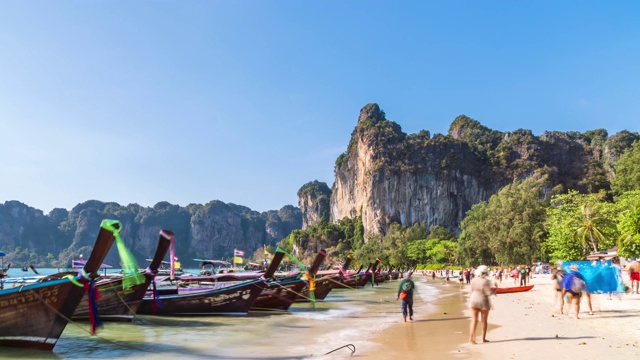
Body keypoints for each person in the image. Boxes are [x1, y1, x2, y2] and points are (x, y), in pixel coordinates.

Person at [468, 265, 495, 344]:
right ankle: (483, 338)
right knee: (484, 321)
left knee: (474, 320)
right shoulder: (487, 281)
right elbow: (488, 293)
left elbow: (471, 291)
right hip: (483, 301)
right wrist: (495, 289)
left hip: (473, 300)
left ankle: (471, 339)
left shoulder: (473, 280)